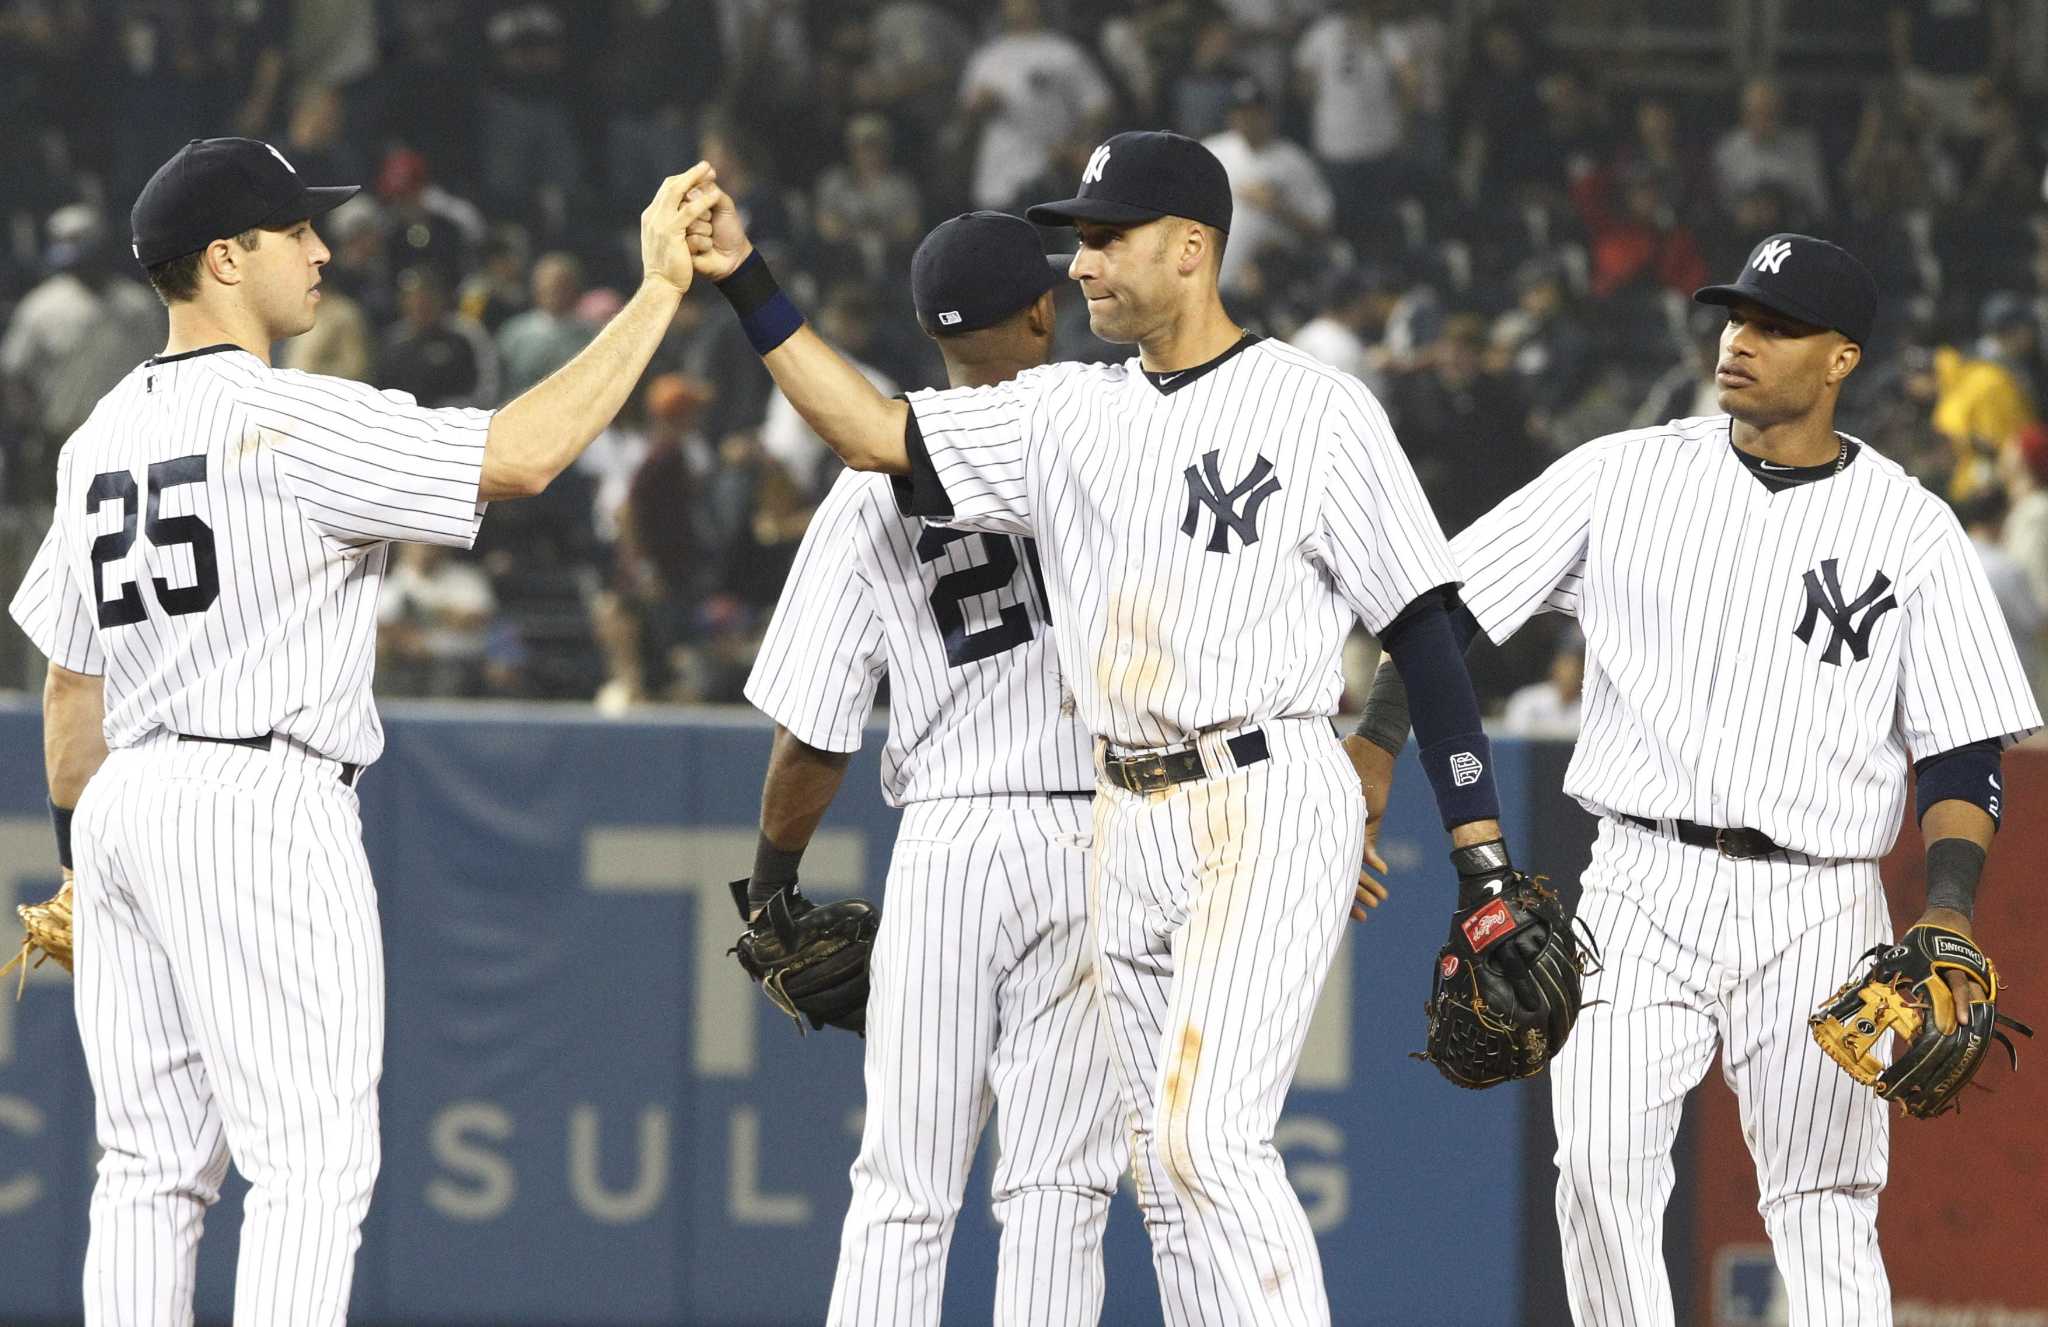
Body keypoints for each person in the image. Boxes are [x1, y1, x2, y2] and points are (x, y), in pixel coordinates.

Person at [688, 128, 1527, 1327]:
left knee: (1201, 1141)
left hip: (1263, 782)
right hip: (1118, 814)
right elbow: (871, 432)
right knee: (1156, 1178)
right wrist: (745, 280)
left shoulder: (1315, 409)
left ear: (1190, 250)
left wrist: (1480, 857)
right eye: (1075, 241)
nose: (1079, 266)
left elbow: (1426, 633)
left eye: (1104, 239)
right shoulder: (1061, 411)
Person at [5, 136, 719, 1326]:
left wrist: (79, 859)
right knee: (310, 1166)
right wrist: (654, 294)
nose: (323, 248)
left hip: (127, 803)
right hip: (260, 800)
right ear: (228, 258)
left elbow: (68, 687)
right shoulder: (291, 422)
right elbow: (525, 455)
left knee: (144, 1170)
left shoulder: (97, 442)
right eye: (295, 231)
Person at [1353, 233, 2041, 1326]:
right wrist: (1373, 745)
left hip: (1816, 899)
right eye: (1733, 316)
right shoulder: (1621, 473)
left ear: (1839, 360)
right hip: (1636, 880)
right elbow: (1440, 610)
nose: (1738, 340)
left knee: (1821, 1202)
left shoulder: (1908, 527)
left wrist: (1947, 909)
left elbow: (1961, 748)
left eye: (1774, 326)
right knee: (1597, 1171)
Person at [740, 210, 1124, 1327]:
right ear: (1043, 309)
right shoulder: (1103, 432)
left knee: (904, 1184)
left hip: (952, 845)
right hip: (1101, 833)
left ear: (925, 327)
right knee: (1055, 1184)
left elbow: (815, 732)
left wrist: (770, 882)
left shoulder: (867, 487)